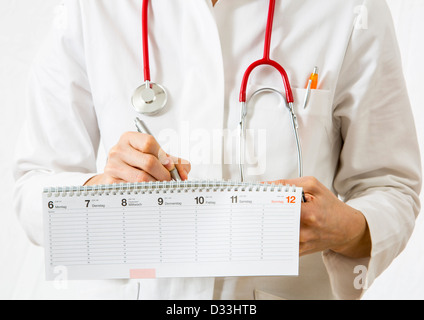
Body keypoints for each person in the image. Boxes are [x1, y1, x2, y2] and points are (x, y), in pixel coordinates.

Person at [13, 0, 421, 300]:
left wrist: (350, 228)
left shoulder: (348, 8)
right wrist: (98, 189)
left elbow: (391, 183)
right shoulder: (91, 9)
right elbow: (34, 186)